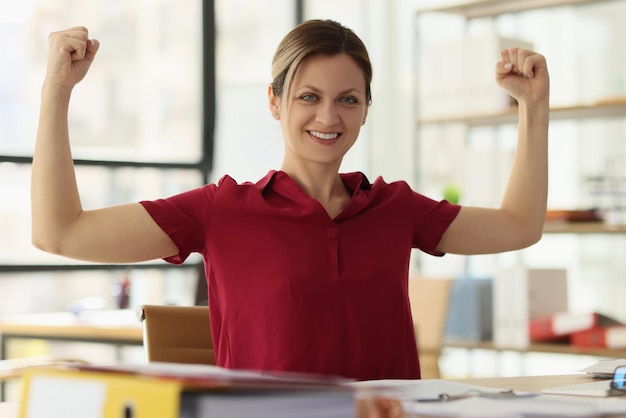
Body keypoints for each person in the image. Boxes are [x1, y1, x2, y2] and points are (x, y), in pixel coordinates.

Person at [32, 19, 549, 381]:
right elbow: (60, 232)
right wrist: (57, 90)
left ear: (366, 110)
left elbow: (518, 225)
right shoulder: (220, 211)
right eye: (309, 97)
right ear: (275, 101)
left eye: (348, 99)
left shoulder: (394, 208)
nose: (329, 118)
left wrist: (533, 107)